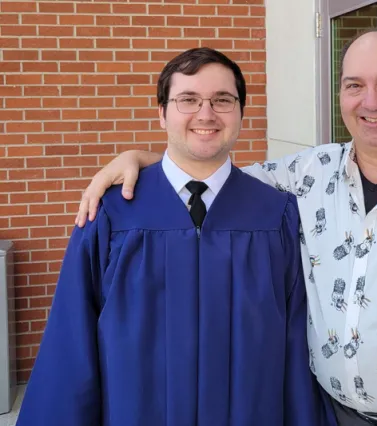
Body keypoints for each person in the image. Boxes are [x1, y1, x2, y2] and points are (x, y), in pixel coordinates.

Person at [75, 29, 377, 426]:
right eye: (354, 85)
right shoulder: (308, 175)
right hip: (336, 416)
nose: (371, 101)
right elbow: (209, 172)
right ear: (340, 94)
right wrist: (143, 160)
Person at [17, 47, 336, 426]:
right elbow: (70, 342)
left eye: (222, 100)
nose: (206, 113)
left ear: (240, 113)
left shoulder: (276, 214)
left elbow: (296, 349)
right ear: (162, 112)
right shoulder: (111, 213)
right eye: (188, 100)